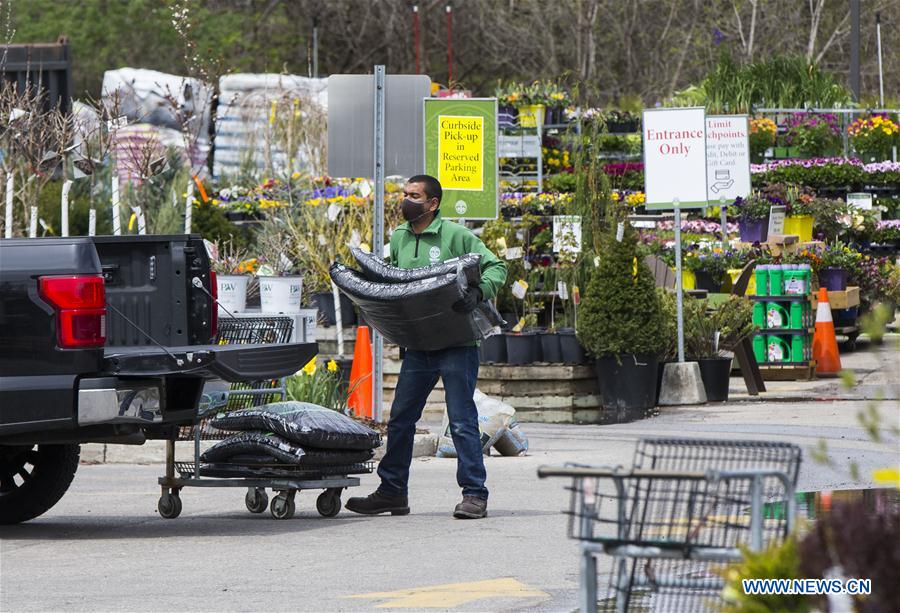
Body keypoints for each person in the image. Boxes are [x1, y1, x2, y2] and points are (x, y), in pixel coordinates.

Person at [346, 174, 507, 520]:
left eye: (414, 195)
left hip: (456, 344)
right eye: (405, 194)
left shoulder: (455, 236)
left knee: (462, 420)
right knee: (401, 419)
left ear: (432, 204)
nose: (406, 200)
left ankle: (475, 494)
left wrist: (480, 292)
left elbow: (497, 266)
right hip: (418, 346)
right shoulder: (400, 236)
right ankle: (392, 492)